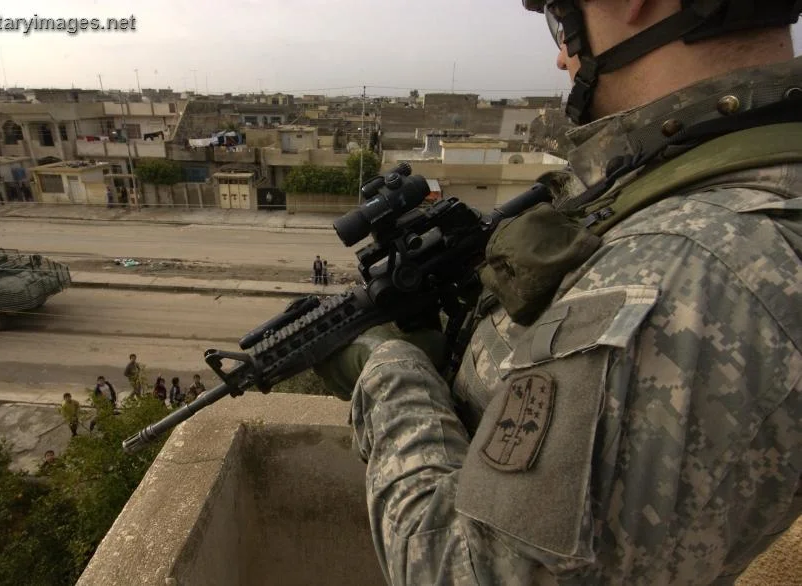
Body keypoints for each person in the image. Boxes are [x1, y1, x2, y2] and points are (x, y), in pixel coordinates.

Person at [315, 2, 802, 583]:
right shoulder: (704, 178)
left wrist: (388, 370)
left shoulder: (694, 265)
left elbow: (456, 571)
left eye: (558, 22)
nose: (559, 54)